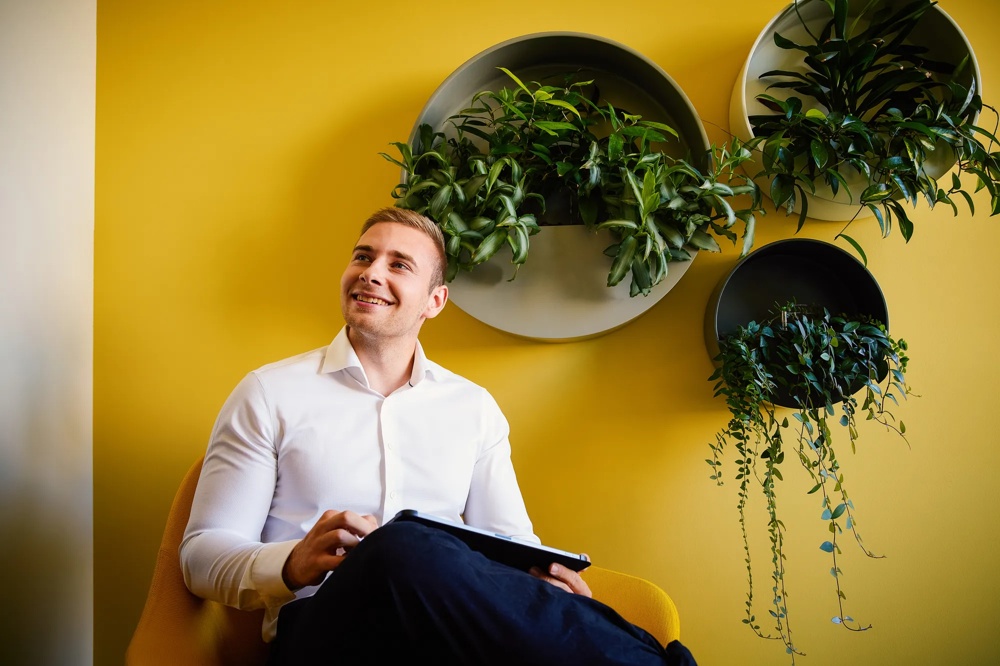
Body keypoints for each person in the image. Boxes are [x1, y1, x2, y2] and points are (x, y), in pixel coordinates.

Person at [180, 207, 696, 665]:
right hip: (323, 633)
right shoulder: (268, 393)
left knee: (439, 557)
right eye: (363, 257)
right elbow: (200, 555)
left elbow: (510, 543)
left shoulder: (473, 408)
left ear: (434, 301)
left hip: (447, 636)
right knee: (401, 545)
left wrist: (542, 581)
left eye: (398, 265)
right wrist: (290, 563)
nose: (371, 273)